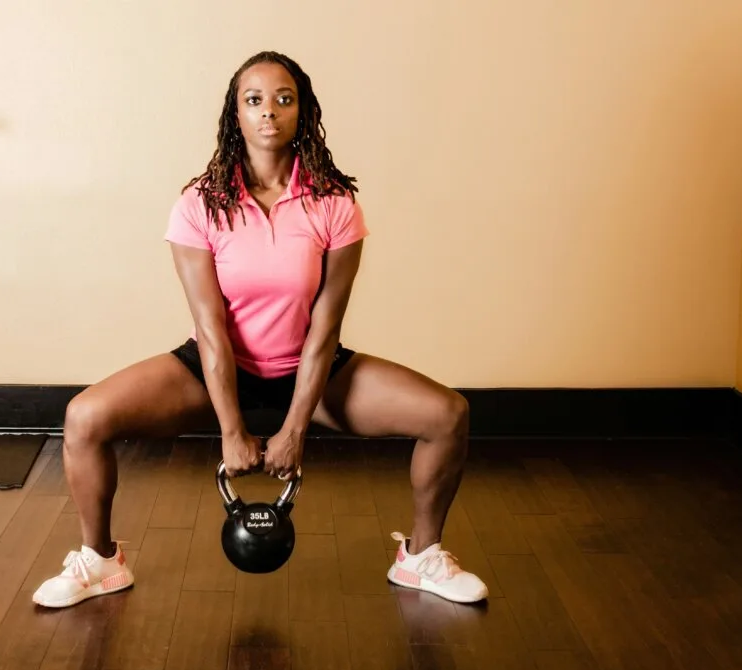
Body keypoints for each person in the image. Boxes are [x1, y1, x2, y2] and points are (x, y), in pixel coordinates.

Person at [32, 51, 488, 609]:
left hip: (308, 368)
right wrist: (231, 429)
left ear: (302, 112)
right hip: (217, 367)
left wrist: (295, 428)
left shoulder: (334, 202)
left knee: (447, 414)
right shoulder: (199, 204)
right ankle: (100, 561)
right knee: (83, 417)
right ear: (236, 114)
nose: (268, 110)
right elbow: (210, 327)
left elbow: (325, 328)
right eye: (254, 100)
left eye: (283, 99)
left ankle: (421, 557)